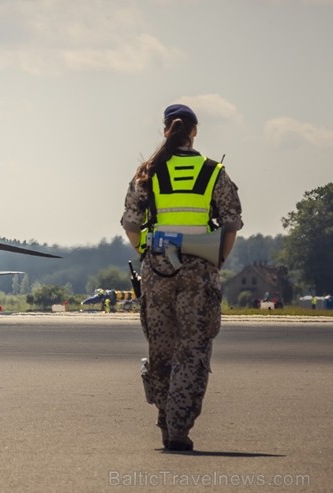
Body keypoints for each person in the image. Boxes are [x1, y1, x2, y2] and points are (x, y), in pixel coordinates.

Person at [120, 103, 243, 452]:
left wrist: (147, 251)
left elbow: (131, 224)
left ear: (165, 131)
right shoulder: (214, 172)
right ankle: (178, 425)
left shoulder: (147, 172)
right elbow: (231, 224)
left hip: (158, 271)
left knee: (161, 349)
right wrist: (216, 259)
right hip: (200, 270)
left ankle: (165, 417)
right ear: (195, 131)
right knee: (193, 350)